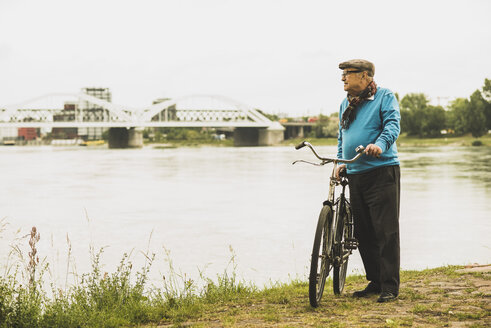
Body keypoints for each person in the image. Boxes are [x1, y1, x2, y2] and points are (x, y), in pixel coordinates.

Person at [335, 59, 401, 303]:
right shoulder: (346, 104)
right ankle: (375, 280)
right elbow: (342, 135)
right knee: (364, 231)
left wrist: (379, 145)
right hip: (356, 173)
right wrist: (341, 162)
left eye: (347, 74)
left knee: (386, 231)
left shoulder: (384, 97)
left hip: (382, 171)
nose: (343, 78)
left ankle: (390, 286)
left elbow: (392, 126)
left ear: (364, 77)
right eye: (342, 74)